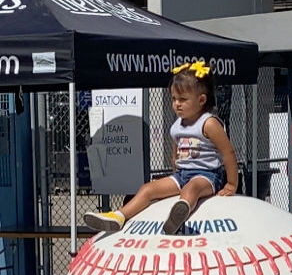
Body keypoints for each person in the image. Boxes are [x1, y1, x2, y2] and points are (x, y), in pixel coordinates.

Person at [84, 60, 239, 235]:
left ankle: (179, 213)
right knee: (147, 189)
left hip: (206, 176)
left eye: (183, 99)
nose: (176, 104)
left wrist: (231, 184)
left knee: (192, 189)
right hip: (181, 175)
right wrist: (175, 172)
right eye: (173, 99)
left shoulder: (209, 123)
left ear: (201, 100)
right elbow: (176, 150)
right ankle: (119, 216)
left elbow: (228, 153)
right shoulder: (178, 124)